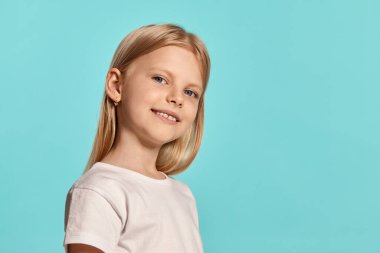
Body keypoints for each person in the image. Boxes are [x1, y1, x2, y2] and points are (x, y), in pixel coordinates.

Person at [63, 23, 211, 253]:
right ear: (116, 85)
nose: (176, 98)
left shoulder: (183, 196)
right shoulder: (100, 191)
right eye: (160, 79)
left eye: (190, 92)